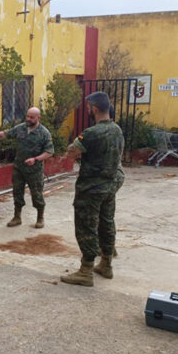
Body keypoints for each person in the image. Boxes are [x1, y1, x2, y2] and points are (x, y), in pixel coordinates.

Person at [60, 91, 125, 287]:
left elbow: (72, 153)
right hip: (110, 186)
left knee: (86, 227)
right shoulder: (117, 130)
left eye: (89, 107)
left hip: (91, 188)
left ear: (94, 109)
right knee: (106, 223)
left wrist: (75, 153)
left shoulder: (91, 133)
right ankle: (106, 264)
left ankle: (86, 271)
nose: (88, 110)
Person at [0, 107, 54, 228]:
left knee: (37, 195)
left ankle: (40, 217)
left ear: (38, 118)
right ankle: (17, 217)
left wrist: (35, 159)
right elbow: (5, 134)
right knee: (17, 192)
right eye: (27, 116)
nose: (28, 119)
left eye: (32, 117)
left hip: (34, 170)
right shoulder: (21, 128)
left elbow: (49, 152)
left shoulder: (44, 133)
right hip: (19, 168)